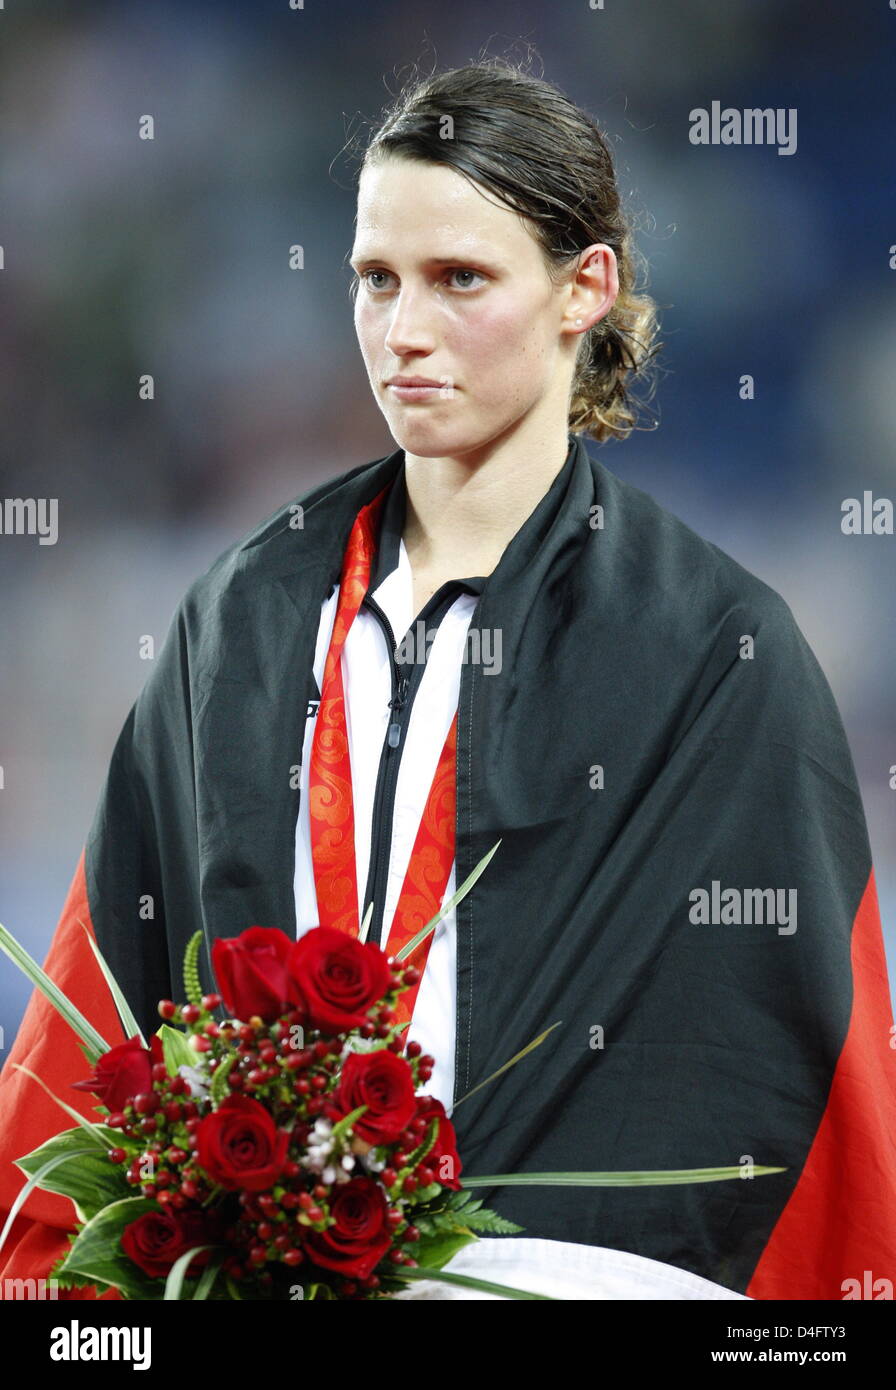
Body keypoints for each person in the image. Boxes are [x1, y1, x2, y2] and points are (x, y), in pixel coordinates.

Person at [2, 56, 895, 1302]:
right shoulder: (242, 615)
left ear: (585, 287)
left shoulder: (717, 646)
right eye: (375, 280)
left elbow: (800, 1080)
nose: (401, 331)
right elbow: (99, 1007)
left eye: (457, 279)